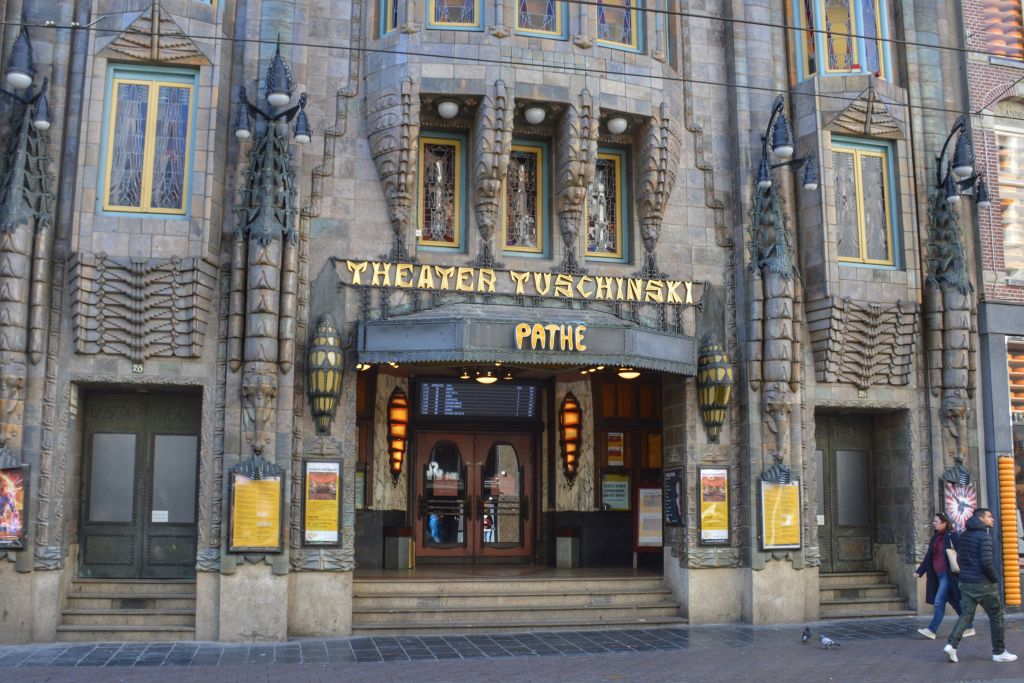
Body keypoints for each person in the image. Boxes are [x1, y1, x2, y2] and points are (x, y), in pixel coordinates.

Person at [943, 508, 1018, 663]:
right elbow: (986, 563)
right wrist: (994, 578)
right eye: (989, 516)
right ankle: (999, 652)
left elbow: (959, 560)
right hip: (983, 584)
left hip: (965, 582)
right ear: (981, 519)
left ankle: (951, 645)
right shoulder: (984, 537)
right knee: (996, 616)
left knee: (966, 615)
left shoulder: (964, 535)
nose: (993, 519)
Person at [915, 513, 974, 640]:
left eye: (936, 521)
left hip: (949, 575)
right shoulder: (935, 538)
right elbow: (929, 557)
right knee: (954, 602)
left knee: (939, 601)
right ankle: (969, 626)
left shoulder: (952, 535)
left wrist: (967, 569)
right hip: (937, 575)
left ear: (944, 523)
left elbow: (963, 552)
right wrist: (920, 571)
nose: (934, 523)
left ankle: (932, 629)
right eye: (934, 521)